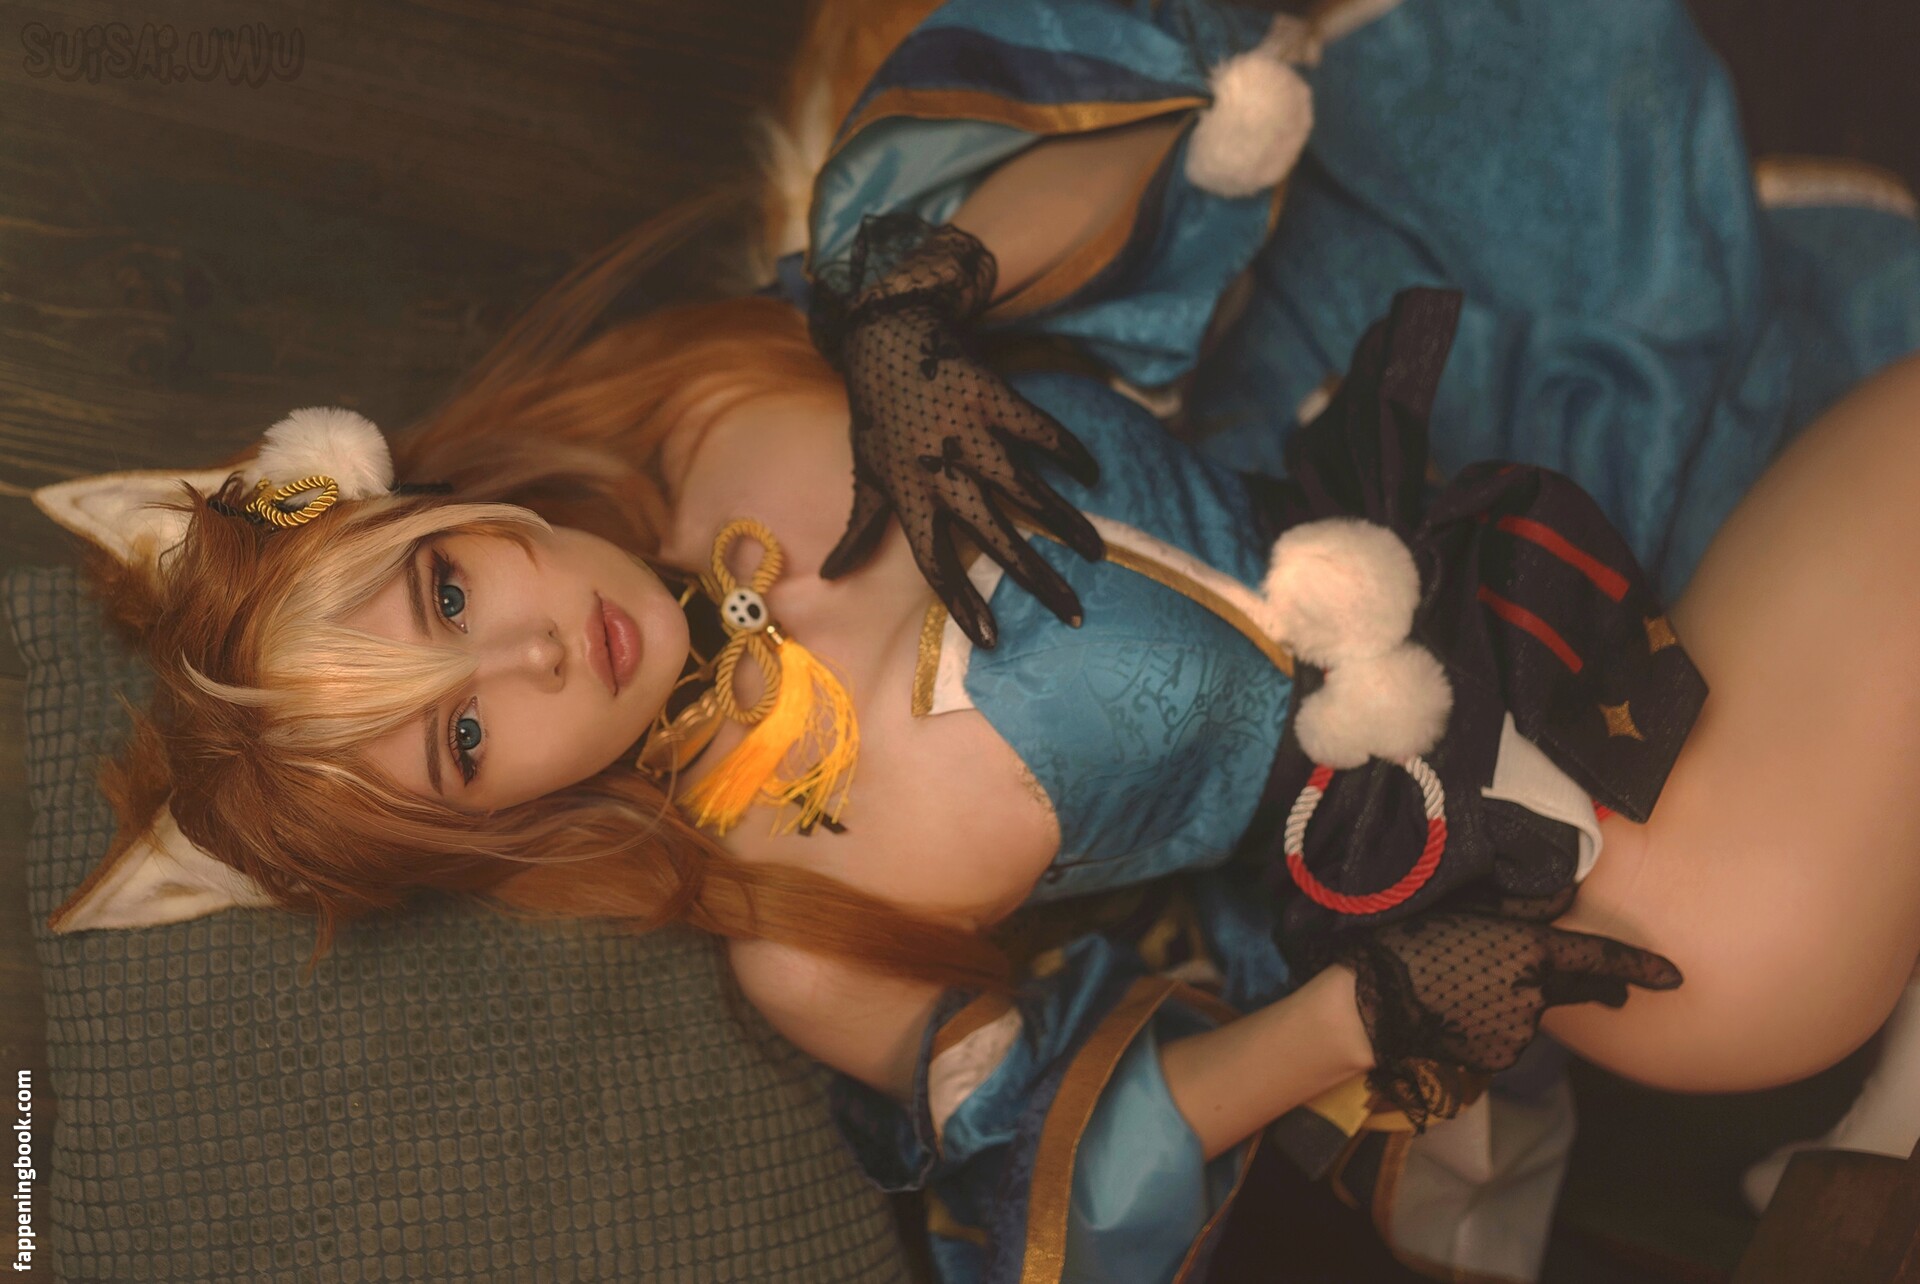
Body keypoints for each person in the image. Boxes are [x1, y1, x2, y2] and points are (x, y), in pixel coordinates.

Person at [57, 0, 1920, 1280]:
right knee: (1731, 977)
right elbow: (1062, 1165)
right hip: (1441, 823)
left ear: (427, 503)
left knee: (1754, 938)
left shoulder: (721, 399)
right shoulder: (799, 933)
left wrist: (909, 309)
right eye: (460, 741)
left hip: (1434, 462)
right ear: (485, 826)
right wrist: (1369, 1019)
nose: (536, 660)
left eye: (447, 596)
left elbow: (1132, 159)